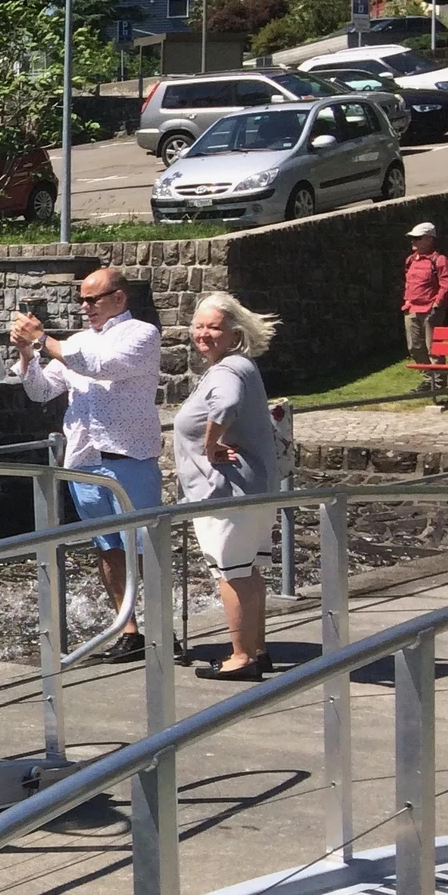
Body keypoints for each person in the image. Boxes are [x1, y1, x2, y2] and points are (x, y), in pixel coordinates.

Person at [11, 267, 163, 662]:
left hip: (129, 457)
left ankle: (161, 627)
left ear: (119, 298)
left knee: (145, 546)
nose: (84, 307)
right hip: (85, 462)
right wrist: (27, 353)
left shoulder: (141, 334)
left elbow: (101, 365)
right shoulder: (75, 342)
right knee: (108, 547)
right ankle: (129, 630)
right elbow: (41, 391)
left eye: (92, 299)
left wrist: (42, 339)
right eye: (81, 300)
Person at [174, 291, 283, 681]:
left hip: (227, 491)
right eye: (199, 326)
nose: (203, 334)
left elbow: (225, 404)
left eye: (214, 328)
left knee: (232, 574)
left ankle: (241, 657)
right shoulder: (240, 365)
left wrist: (210, 444)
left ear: (235, 333)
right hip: (252, 488)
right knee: (248, 571)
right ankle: (257, 650)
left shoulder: (227, 371)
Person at [403, 221, 448, 389]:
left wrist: (437, 304)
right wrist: (407, 301)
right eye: (413, 238)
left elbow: (446, 283)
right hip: (412, 309)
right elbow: (409, 282)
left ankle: (439, 382)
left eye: (417, 238)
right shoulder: (411, 260)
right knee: (414, 347)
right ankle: (429, 379)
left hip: (430, 310)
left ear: (429, 239)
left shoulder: (439, 260)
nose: (413, 241)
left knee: (434, 348)